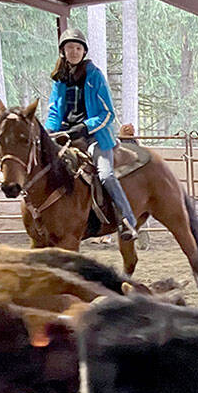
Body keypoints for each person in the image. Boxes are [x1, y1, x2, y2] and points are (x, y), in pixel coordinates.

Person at [44, 29, 137, 241]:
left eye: (78, 48)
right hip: (66, 135)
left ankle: (127, 220)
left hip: (95, 136)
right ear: (63, 51)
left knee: (105, 174)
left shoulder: (94, 75)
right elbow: (54, 111)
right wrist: (50, 130)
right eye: (70, 48)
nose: (74, 52)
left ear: (84, 51)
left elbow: (108, 113)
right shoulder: (60, 79)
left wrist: (85, 127)